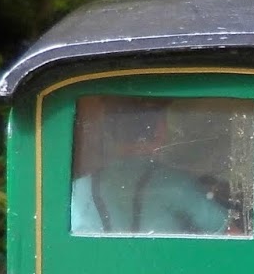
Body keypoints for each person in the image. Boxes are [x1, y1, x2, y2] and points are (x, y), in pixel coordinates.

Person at [71, 101, 235, 236]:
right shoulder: (176, 185)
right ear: (160, 130)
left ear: (108, 132)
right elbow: (231, 235)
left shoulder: (77, 189)